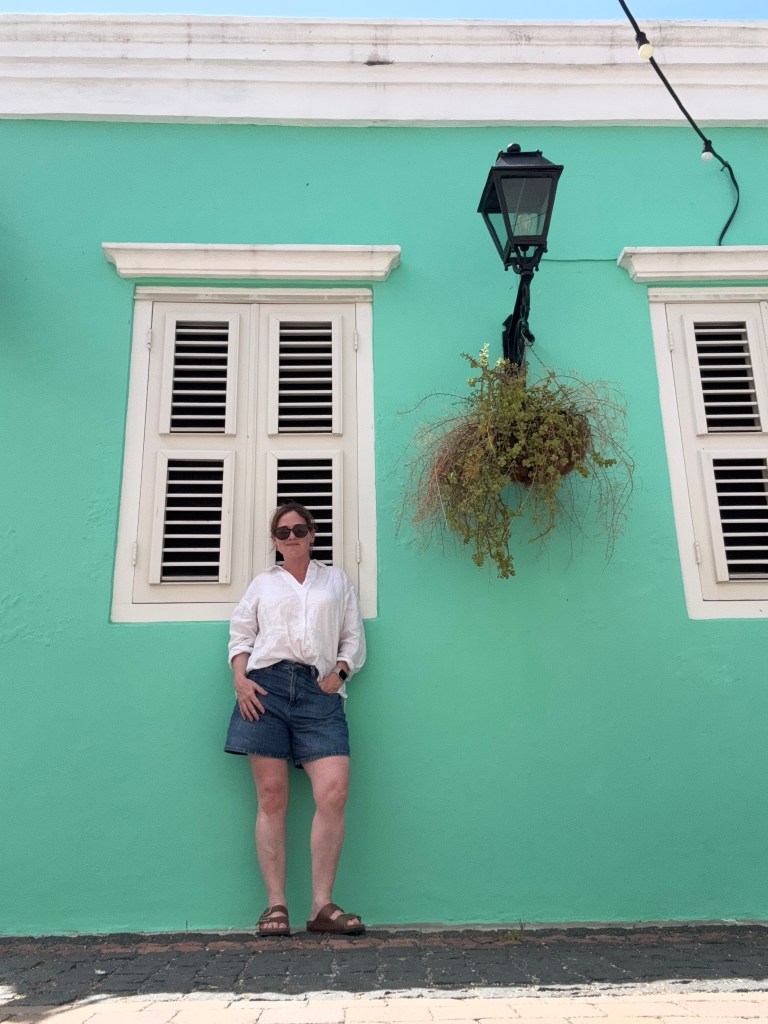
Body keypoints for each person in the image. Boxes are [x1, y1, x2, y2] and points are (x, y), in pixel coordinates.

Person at [224, 501, 366, 937]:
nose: (291, 538)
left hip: (317, 692)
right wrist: (240, 681)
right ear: (274, 540)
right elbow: (241, 634)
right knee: (271, 797)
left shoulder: (335, 580)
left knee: (334, 792)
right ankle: (275, 905)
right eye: (282, 532)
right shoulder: (263, 584)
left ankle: (321, 906)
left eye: (298, 530)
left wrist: (339, 672)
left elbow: (352, 636)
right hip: (263, 689)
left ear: (312, 534)